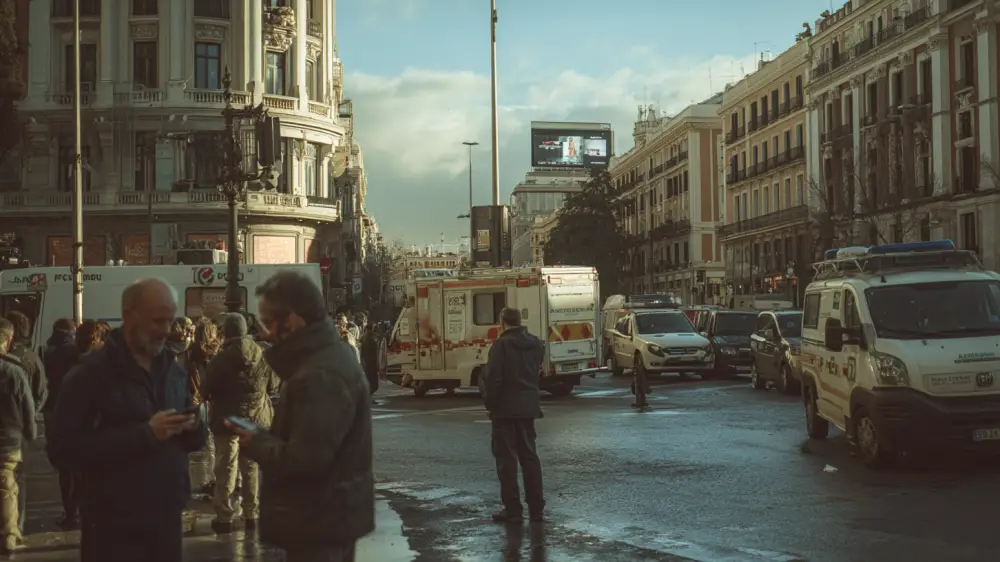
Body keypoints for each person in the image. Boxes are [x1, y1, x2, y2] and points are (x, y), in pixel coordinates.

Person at [48, 278, 207, 562]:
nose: (166, 330)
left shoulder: (173, 369)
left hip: (167, 516)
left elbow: (191, 439)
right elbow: (63, 449)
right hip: (113, 524)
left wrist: (194, 428)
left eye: (170, 321)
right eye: (157, 321)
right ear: (129, 315)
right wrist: (146, 434)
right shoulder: (90, 374)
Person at [226, 270, 373, 562]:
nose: (264, 333)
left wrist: (258, 442)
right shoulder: (329, 358)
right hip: (330, 518)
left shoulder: (318, 374)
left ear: (292, 319)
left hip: (317, 521)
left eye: (269, 322)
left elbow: (305, 460)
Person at [203, 313, 279, 533]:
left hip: (227, 420)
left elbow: (206, 388)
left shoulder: (220, 359)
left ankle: (225, 517)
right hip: (255, 418)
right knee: (251, 466)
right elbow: (274, 385)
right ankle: (251, 514)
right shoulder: (262, 355)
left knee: (226, 466)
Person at [481, 307, 545, 523]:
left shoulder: (501, 345)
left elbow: (493, 379)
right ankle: (536, 508)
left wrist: (490, 403)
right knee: (530, 458)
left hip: (505, 410)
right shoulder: (535, 344)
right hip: (528, 408)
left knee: (506, 462)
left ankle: (513, 509)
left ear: (502, 322)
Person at [3, 311, 46, 537]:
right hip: (14, 434)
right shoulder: (23, 363)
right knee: (14, 481)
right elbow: (38, 395)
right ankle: (14, 528)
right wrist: (30, 429)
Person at [0, 318, 36, 555]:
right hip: (9, 439)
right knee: (7, 487)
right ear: (8, 339)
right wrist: (30, 434)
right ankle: (9, 535)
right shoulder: (14, 371)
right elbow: (27, 407)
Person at [188, 318, 223, 496]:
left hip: (198, 401)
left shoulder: (191, 353)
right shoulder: (219, 353)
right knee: (218, 445)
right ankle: (217, 479)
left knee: (205, 444)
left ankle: (206, 480)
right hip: (217, 402)